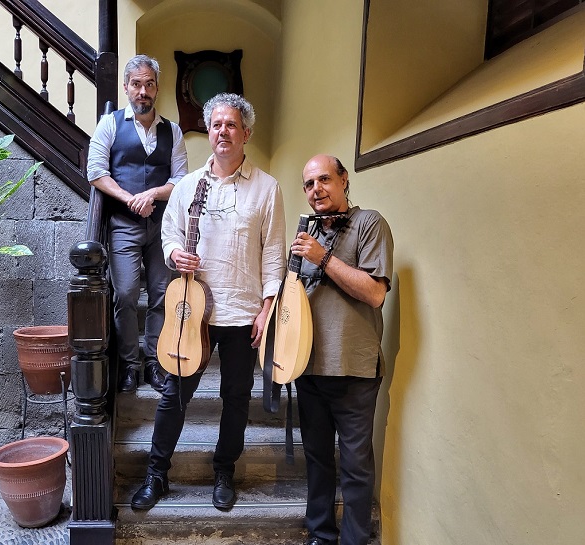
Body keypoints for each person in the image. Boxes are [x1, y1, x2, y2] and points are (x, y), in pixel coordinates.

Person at [130, 93, 286, 511]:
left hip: (242, 311)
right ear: (209, 132)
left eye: (231, 125)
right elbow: (170, 235)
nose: (223, 131)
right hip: (192, 311)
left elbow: (274, 254)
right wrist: (173, 254)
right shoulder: (186, 186)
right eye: (216, 124)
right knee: (173, 394)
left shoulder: (267, 189)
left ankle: (224, 471)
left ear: (246, 133)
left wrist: (268, 307)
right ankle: (156, 475)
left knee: (236, 397)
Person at [290, 154, 393, 545]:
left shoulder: (370, 223)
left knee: (355, 466)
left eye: (324, 179)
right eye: (309, 184)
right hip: (308, 365)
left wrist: (322, 257)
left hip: (353, 368)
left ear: (343, 180)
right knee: (317, 460)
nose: (316, 190)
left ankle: (354, 540)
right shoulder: (310, 233)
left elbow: (374, 293)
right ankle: (320, 533)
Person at [87, 54, 188, 393]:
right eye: (136, 84)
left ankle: (154, 363)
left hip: (163, 227)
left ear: (156, 87)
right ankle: (129, 364)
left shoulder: (172, 130)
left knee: (161, 294)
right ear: (126, 87)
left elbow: (181, 180)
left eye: (149, 84)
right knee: (126, 294)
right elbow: (96, 172)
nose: (142, 91)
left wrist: (153, 194)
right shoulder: (111, 124)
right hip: (124, 226)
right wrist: (130, 197)